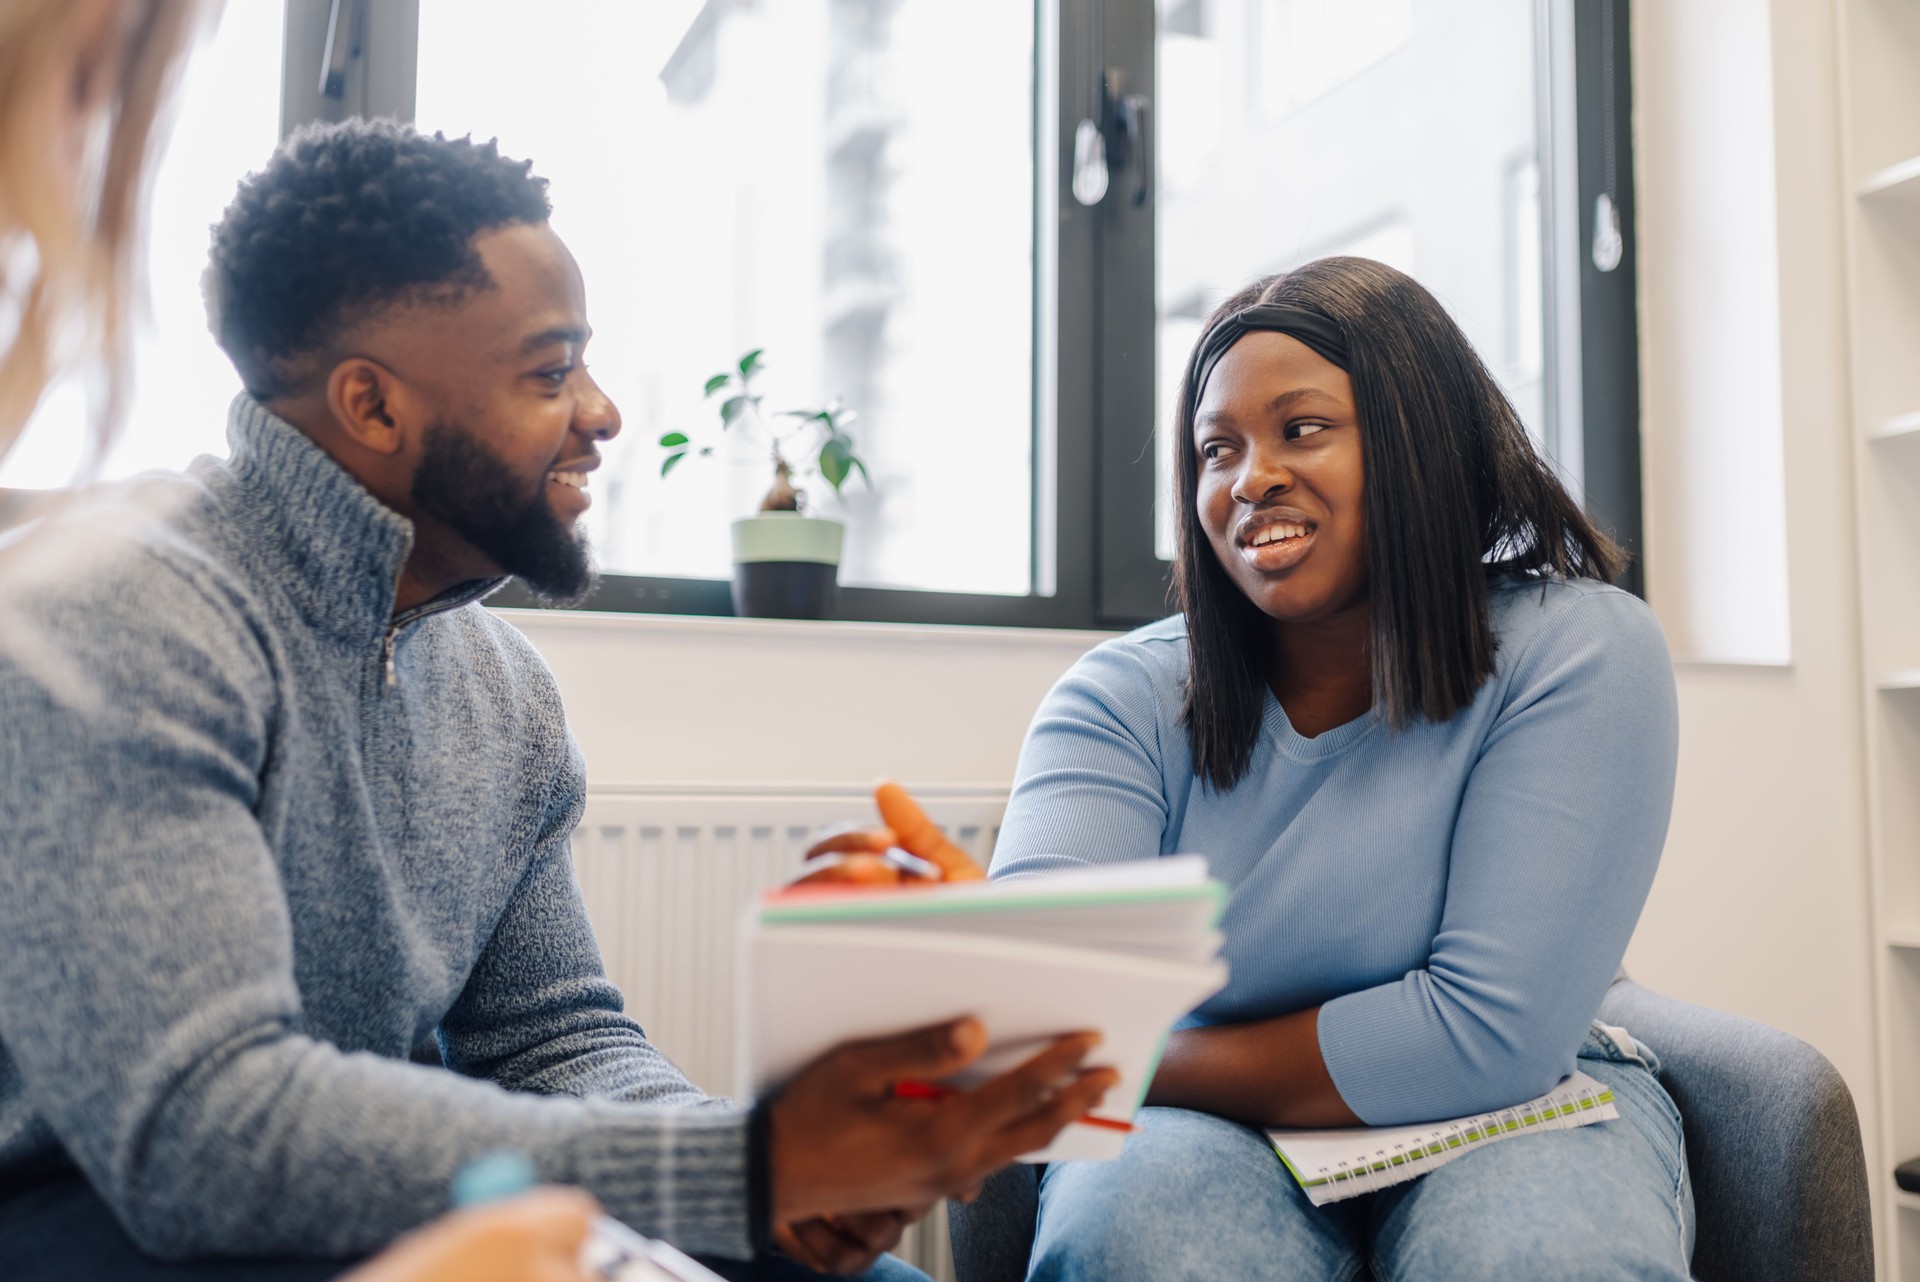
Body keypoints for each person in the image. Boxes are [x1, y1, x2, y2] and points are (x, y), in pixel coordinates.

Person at [0, 116, 1116, 1282]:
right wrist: (741, 1166)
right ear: (373, 407)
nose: (602, 412)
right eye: (549, 371)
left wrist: (780, 1178)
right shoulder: (125, 614)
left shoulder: (502, 684)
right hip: (96, 1217)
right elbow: (204, 1133)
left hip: (393, 1194)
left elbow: (552, 1037)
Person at [980, 257, 1691, 1279]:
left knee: (1536, 1259)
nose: (1249, 475)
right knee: (1141, 1243)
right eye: (1214, 448)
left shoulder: (1582, 649)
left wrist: (1135, 1055)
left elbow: (1488, 1037)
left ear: (1416, 439)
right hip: (1199, 1118)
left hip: (1516, 1102)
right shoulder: (1116, 698)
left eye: (1301, 428)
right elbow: (1042, 1024)